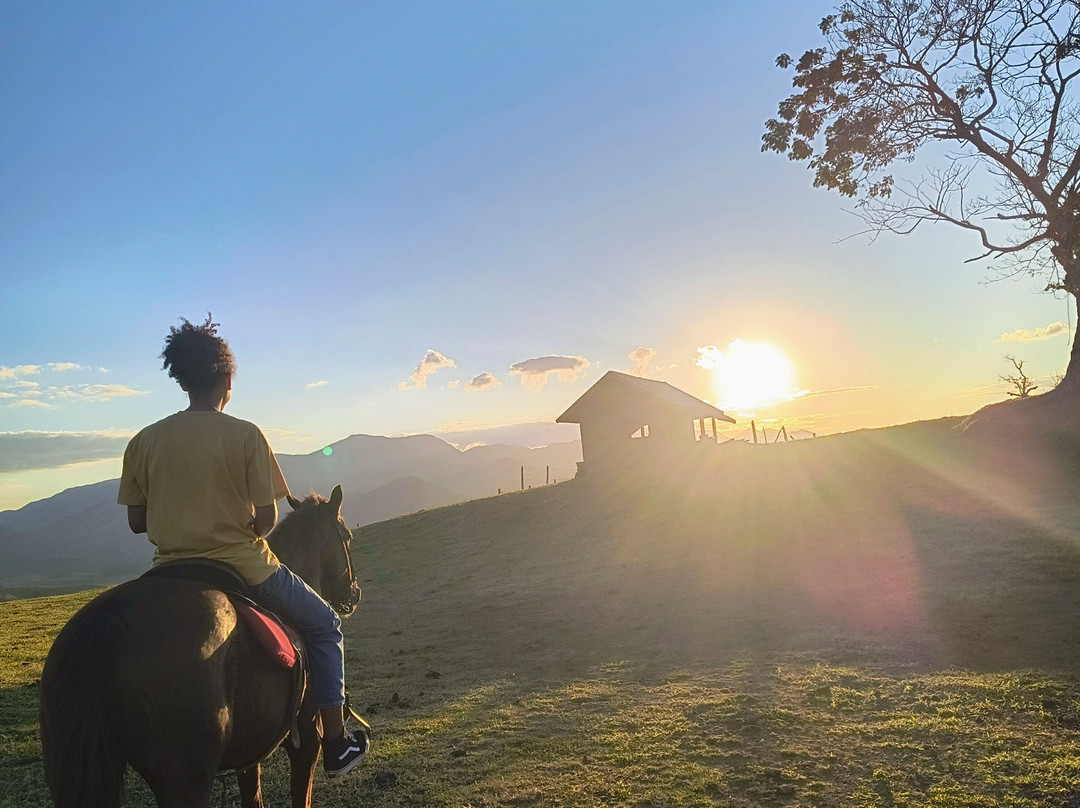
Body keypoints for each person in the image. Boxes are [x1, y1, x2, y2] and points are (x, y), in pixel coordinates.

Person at [117, 315, 368, 777]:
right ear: (227, 380)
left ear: (182, 380)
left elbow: (136, 522)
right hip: (242, 567)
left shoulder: (143, 441)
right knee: (326, 624)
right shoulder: (246, 434)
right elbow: (269, 518)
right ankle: (335, 744)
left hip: (168, 569)